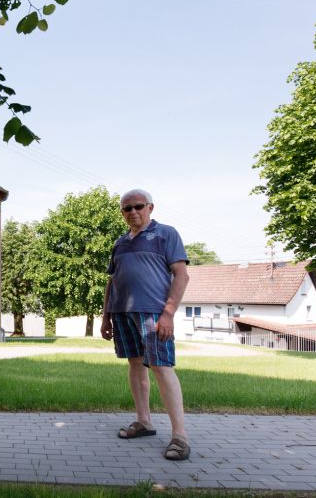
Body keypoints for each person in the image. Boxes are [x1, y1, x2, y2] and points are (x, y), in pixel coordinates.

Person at [100, 188, 191, 461]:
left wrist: (168, 314)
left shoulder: (166, 234)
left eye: (138, 206)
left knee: (162, 368)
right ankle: (144, 422)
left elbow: (182, 275)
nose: (133, 212)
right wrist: (106, 316)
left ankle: (180, 436)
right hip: (122, 312)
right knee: (135, 364)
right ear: (122, 213)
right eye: (127, 208)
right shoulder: (120, 242)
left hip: (153, 314)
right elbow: (111, 281)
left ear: (150, 207)